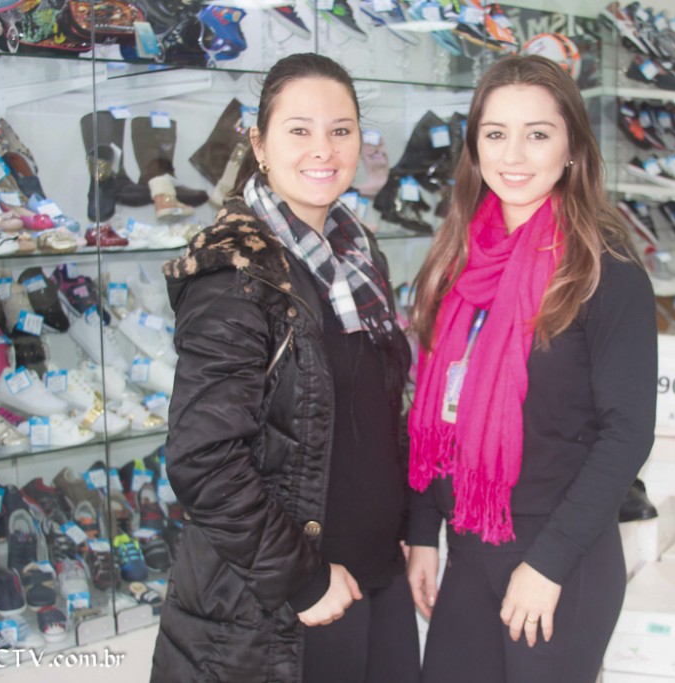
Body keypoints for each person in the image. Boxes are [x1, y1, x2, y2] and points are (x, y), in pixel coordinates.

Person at [150, 53, 418, 683]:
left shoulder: (357, 254)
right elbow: (203, 458)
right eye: (299, 129)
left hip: (377, 578)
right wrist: (303, 579)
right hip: (283, 606)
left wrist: (404, 522)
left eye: (341, 130)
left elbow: (376, 413)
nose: (323, 149)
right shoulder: (234, 271)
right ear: (259, 144)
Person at [406, 55, 658, 683]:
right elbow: (431, 413)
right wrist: (422, 532)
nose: (513, 155)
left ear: (572, 147)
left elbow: (628, 432)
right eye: (496, 133)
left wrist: (549, 563)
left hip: (559, 559)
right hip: (468, 546)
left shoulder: (605, 268)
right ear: (475, 146)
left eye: (537, 134)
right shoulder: (459, 258)